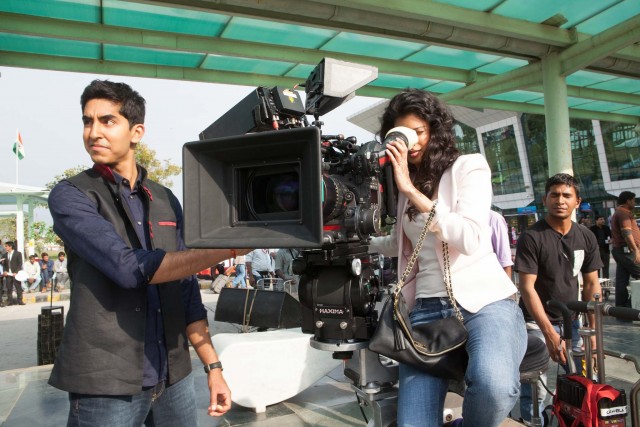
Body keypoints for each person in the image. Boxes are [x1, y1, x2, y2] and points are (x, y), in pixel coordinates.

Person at [47, 79, 249, 425]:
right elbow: (128, 269)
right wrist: (228, 248)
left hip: (174, 377)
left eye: (107, 120)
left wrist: (212, 367)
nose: (93, 131)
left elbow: (186, 289)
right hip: (106, 384)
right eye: (87, 121)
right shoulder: (71, 195)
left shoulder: (166, 199)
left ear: (136, 131)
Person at [367, 89, 526, 427]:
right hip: (425, 309)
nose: (411, 143)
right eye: (401, 134)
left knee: (495, 388)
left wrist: (411, 191)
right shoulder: (405, 185)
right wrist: (356, 242)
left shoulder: (468, 167)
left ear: (435, 130)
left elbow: (470, 238)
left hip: (484, 303)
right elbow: (401, 243)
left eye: (418, 132)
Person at [515, 173, 602, 424]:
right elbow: (527, 288)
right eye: (554, 195)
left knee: (586, 381)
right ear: (545, 199)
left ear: (577, 201)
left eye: (566, 195)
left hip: (572, 321)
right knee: (536, 388)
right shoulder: (532, 237)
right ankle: (534, 422)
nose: (560, 200)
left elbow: (592, 284)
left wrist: (593, 332)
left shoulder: (586, 236)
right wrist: (549, 333)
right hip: (535, 322)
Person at [610, 191, 640, 310]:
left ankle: (622, 308)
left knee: (621, 280)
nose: (634, 202)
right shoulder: (623, 213)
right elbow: (626, 232)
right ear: (628, 201)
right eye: (633, 200)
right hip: (627, 251)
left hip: (621, 251)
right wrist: (636, 250)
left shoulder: (620, 212)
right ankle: (630, 304)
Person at [489, 210, 514, 278]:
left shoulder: (493, 219)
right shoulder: (459, 219)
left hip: (489, 280)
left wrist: (507, 287)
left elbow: (505, 262)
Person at [2, 241, 24, 306]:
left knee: (18, 288)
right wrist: (4, 271)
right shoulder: (5, 255)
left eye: (6, 246)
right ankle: (10, 301)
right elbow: (3, 265)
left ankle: (20, 301)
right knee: (9, 288)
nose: (5, 247)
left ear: (10, 246)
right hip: (8, 274)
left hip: (16, 274)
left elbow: (20, 264)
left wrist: (16, 272)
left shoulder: (18, 253)